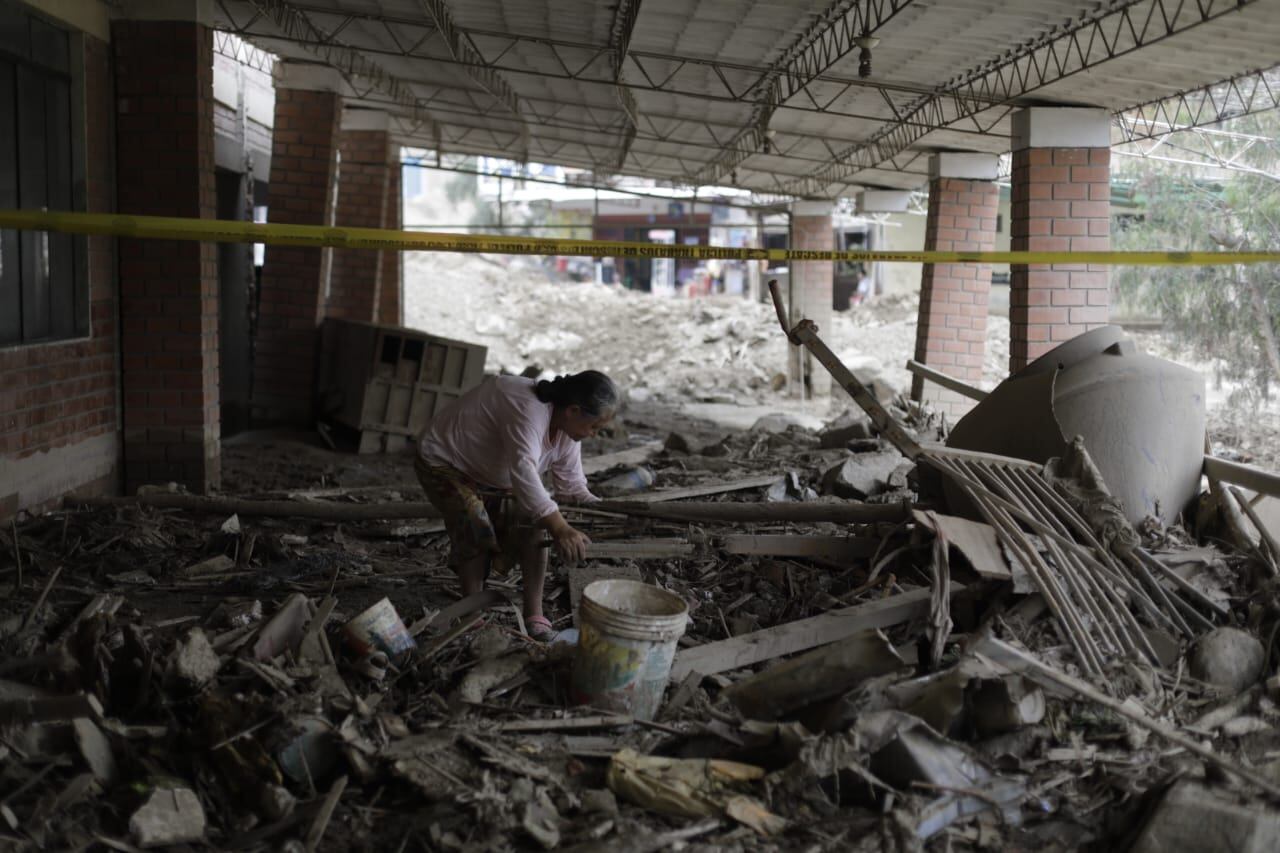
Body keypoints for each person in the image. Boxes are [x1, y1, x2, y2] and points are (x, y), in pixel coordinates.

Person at [415, 371, 619, 640]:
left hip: (494, 473)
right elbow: (524, 472)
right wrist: (561, 528)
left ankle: (535, 613)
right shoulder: (528, 410)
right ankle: (473, 611)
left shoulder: (569, 431)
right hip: (446, 460)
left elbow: (572, 487)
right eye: (594, 427)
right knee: (473, 521)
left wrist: (612, 513)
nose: (594, 434)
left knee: (535, 523)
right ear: (573, 410)